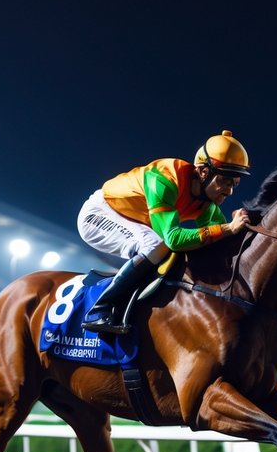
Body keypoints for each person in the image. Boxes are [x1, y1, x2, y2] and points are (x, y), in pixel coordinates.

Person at [76, 130, 252, 334]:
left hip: (137, 223)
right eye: (224, 181)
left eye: (235, 184)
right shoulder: (165, 178)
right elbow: (174, 240)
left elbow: (220, 243)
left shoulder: (207, 202)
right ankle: (99, 309)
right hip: (100, 214)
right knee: (156, 245)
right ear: (204, 172)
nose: (229, 191)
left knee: (168, 249)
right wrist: (228, 227)